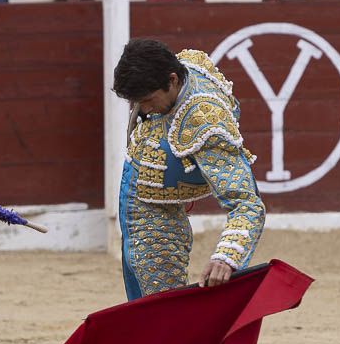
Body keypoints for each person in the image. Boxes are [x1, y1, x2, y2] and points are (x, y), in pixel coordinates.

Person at [112, 38, 265, 301]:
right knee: (147, 303)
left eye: (148, 100)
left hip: (155, 211)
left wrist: (227, 256)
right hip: (141, 194)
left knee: (159, 307)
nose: (144, 110)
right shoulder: (183, 66)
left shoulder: (204, 120)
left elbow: (247, 203)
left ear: (172, 81)